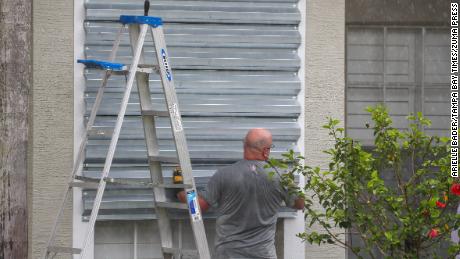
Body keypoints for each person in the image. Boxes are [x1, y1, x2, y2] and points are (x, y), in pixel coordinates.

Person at [178, 128, 304, 259]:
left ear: (244, 145)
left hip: (228, 254)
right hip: (264, 254)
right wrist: (290, 184)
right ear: (266, 150)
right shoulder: (279, 176)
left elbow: (197, 208)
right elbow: (300, 204)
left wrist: (183, 193)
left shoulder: (224, 174)